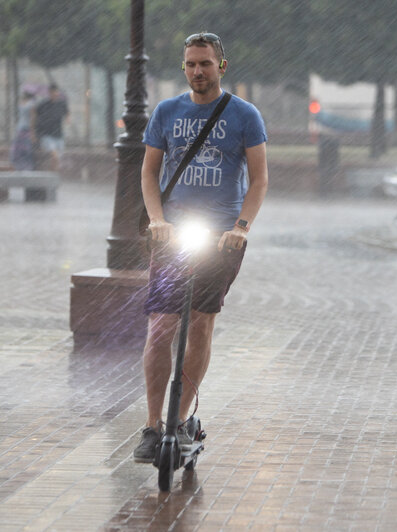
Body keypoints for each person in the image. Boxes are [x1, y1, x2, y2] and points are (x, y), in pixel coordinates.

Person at [133, 32, 268, 462]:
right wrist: (157, 220)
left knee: (201, 325)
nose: (197, 71)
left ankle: (182, 417)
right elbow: (149, 174)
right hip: (172, 236)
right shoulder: (167, 112)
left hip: (220, 238)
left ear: (221, 66)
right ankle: (154, 425)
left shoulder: (244, 115)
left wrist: (241, 228)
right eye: (191, 64)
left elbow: (260, 179)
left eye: (205, 63)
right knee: (160, 329)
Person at [34, 83, 68, 171]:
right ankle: (52, 175)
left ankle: (52, 174)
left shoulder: (61, 103)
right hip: (47, 134)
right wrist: (34, 131)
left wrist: (68, 119)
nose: (55, 94)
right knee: (55, 156)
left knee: (57, 159)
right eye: (53, 92)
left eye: (56, 92)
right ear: (49, 93)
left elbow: (67, 112)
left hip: (58, 134)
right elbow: (34, 114)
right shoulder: (44, 104)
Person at [9, 90, 36, 170]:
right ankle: (21, 166)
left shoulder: (29, 104)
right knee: (22, 148)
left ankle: (24, 167)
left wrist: (32, 131)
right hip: (22, 128)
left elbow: (32, 118)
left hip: (25, 129)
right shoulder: (26, 103)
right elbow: (31, 118)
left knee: (23, 148)